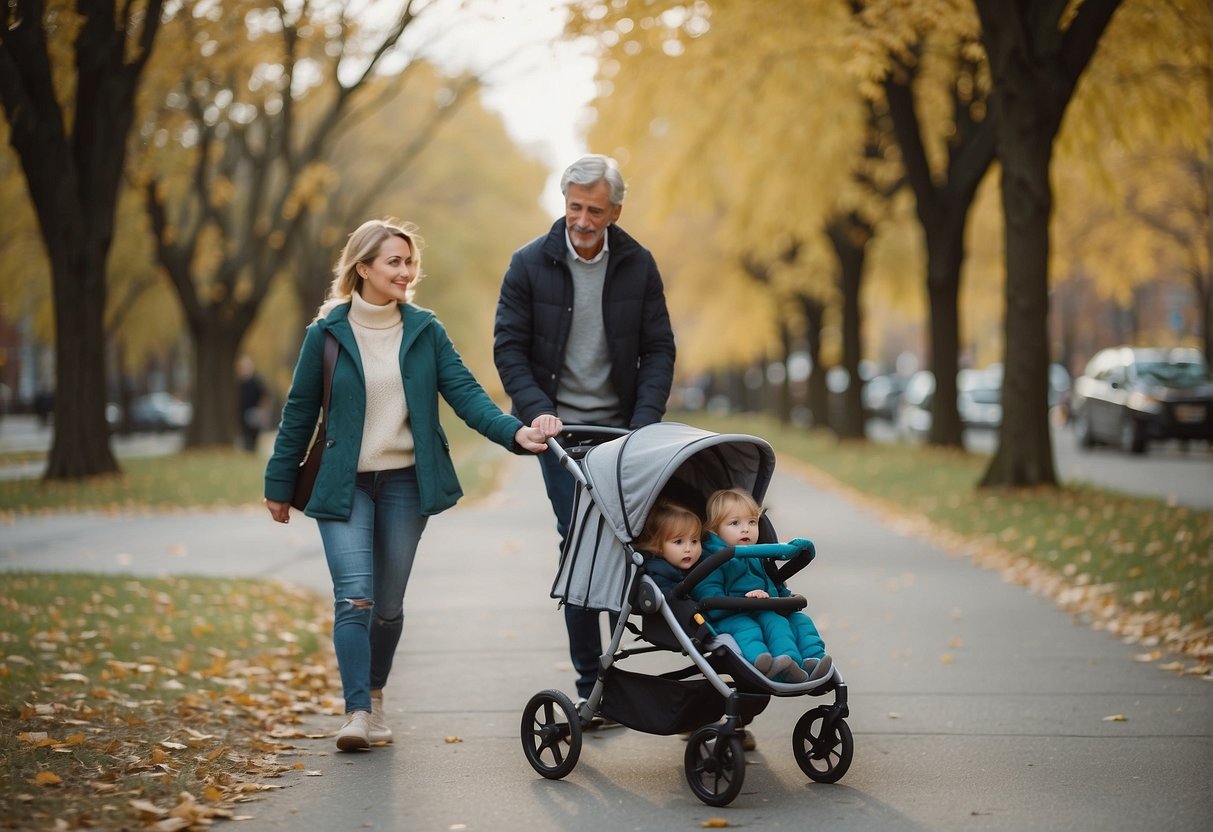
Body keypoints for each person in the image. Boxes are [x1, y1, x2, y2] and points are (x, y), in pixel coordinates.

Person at [264, 218, 561, 752]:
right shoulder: (327, 334)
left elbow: (466, 393)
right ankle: (356, 712)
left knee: (387, 605)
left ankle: (375, 698)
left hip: (405, 484)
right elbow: (299, 412)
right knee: (353, 597)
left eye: (408, 261)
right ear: (363, 268)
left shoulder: (424, 330)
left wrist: (514, 433)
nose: (406, 271)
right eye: (393, 262)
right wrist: (279, 482)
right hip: (343, 485)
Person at [493, 153, 676, 705]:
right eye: (575, 207)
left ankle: (655, 666)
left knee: (638, 542)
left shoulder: (638, 265)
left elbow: (659, 349)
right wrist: (536, 411)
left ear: (615, 211)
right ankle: (589, 684)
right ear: (564, 204)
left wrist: (644, 426)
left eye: (595, 210)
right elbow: (509, 348)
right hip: (562, 433)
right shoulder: (529, 264)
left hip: (624, 433)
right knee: (580, 542)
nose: (583, 220)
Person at [692, 488, 833, 684]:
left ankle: (814, 660)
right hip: (732, 615)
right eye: (735, 523)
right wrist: (744, 601)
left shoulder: (757, 555)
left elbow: (772, 583)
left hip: (764, 608)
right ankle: (774, 663)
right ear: (715, 531)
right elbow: (708, 596)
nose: (746, 529)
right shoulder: (713, 560)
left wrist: (784, 597)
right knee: (766, 625)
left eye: (752, 522)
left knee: (801, 621)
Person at [636, 501, 703, 593]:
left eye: (694, 541)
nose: (688, 549)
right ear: (658, 546)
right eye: (679, 542)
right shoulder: (657, 578)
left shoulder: (704, 564)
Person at [236, 355, 268, 452]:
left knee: (253, 433)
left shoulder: (256, 381)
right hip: (242, 412)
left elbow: (265, 395)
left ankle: (252, 449)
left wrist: (262, 410)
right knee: (244, 433)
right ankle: (247, 449)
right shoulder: (239, 382)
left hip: (253, 411)